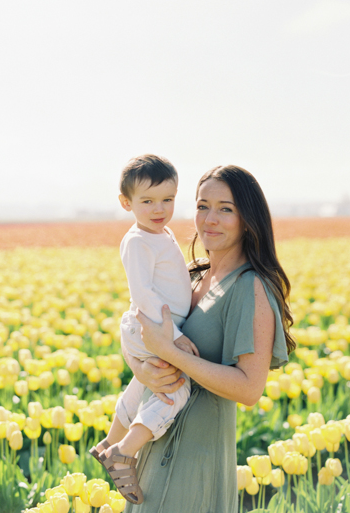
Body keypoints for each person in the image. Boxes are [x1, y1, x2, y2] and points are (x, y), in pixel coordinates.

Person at [121, 164, 294, 512]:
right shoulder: (193, 276)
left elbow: (249, 389)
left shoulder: (251, 288)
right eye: (202, 206)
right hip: (153, 446)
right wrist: (140, 368)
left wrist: (172, 351)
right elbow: (138, 326)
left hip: (196, 461)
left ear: (247, 218)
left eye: (225, 209)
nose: (210, 219)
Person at [91, 154, 198, 505]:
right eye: (148, 201)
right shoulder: (137, 241)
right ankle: (124, 452)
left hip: (151, 327)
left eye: (167, 199)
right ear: (126, 203)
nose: (159, 208)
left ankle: (109, 440)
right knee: (175, 390)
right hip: (152, 328)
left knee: (144, 382)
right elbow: (142, 293)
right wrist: (176, 337)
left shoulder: (159, 233)